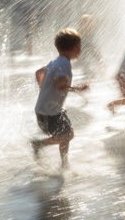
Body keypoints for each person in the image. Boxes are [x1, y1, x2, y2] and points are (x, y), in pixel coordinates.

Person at [31, 28, 89, 169]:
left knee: (68, 134)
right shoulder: (64, 64)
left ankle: (64, 164)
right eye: (79, 46)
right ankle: (40, 145)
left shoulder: (55, 62)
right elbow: (60, 85)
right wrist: (77, 89)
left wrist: (44, 88)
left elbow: (38, 72)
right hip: (51, 112)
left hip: (45, 110)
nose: (80, 49)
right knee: (67, 135)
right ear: (75, 47)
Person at [76, 14, 105, 81]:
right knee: (88, 72)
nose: (90, 25)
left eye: (91, 23)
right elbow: (91, 48)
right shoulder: (79, 35)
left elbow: (92, 48)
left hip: (83, 61)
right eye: (85, 23)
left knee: (90, 74)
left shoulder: (89, 35)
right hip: (79, 60)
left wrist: (100, 61)